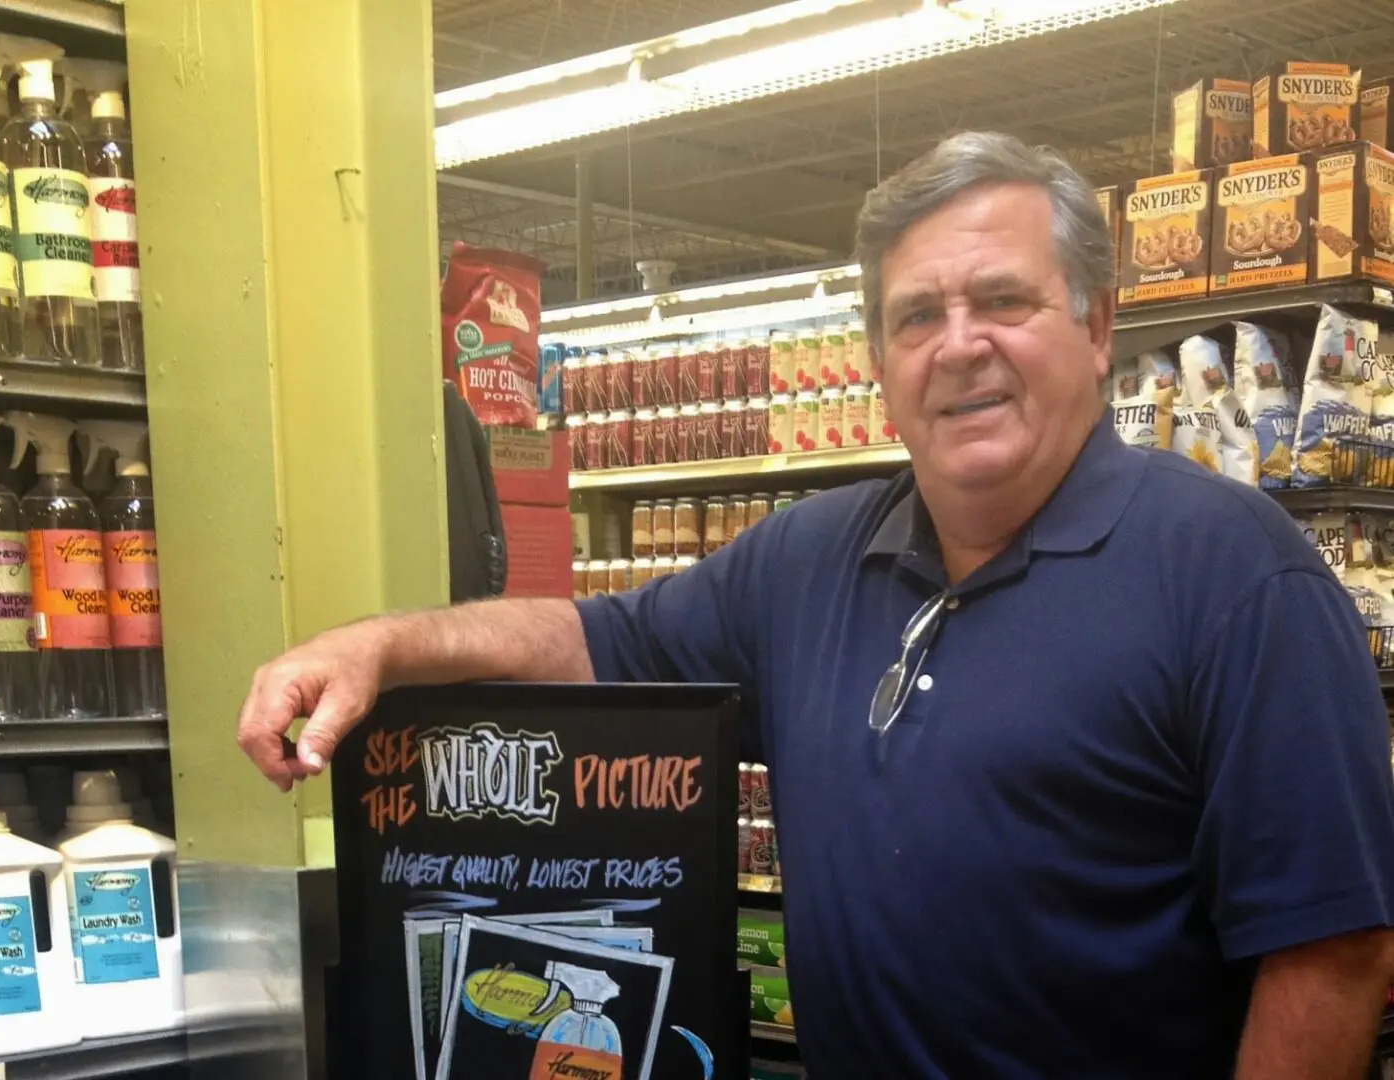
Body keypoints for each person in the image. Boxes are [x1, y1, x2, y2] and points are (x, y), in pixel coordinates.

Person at [237, 131, 1394, 1078]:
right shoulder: (804, 559)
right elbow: (591, 638)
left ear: (1093, 330)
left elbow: (1332, 956)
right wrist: (380, 643)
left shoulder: (1235, 577)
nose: (958, 346)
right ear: (880, 366)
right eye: (914, 316)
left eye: (1002, 300)